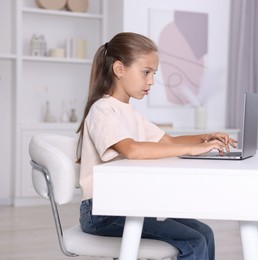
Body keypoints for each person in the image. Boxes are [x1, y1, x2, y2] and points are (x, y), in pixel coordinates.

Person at [75, 32, 237, 260]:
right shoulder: (103, 109)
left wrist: (206, 138)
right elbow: (132, 150)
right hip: (102, 212)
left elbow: (168, 142)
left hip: (128, 204)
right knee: (193, 241)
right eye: (146, 72)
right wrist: (191, 149)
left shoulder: (131, 113)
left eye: (153, 74)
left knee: (205, 233)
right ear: (119, 69)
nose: (151, 81)